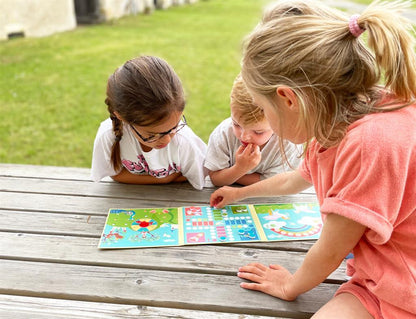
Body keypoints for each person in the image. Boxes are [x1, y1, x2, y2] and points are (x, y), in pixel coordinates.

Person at [209, 1, 416, 318]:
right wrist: (239, 193)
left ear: (288, 99)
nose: (264, 118)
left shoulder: (367, 144)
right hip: (383, 270)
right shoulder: (337, 118)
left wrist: (290, 286)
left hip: (400, 287)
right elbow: (296, 178)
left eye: (263, 110)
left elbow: (330, 249)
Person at [91, 56, 207, 190]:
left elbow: (198, 176)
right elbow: (115, 174)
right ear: (122, 117)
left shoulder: (185, 142)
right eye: (152, 135)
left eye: (174, 127)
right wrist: (164, 179)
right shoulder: (108, 136)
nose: (167, 139)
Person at [204, 75, 302, 186]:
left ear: (278, 122)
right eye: (236, 124)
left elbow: (276, 183)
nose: (244, 136)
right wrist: (239, 169)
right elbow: (215, 178)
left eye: (258, 132)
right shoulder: (223, 134)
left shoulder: (286, 144)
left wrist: (232, 174)